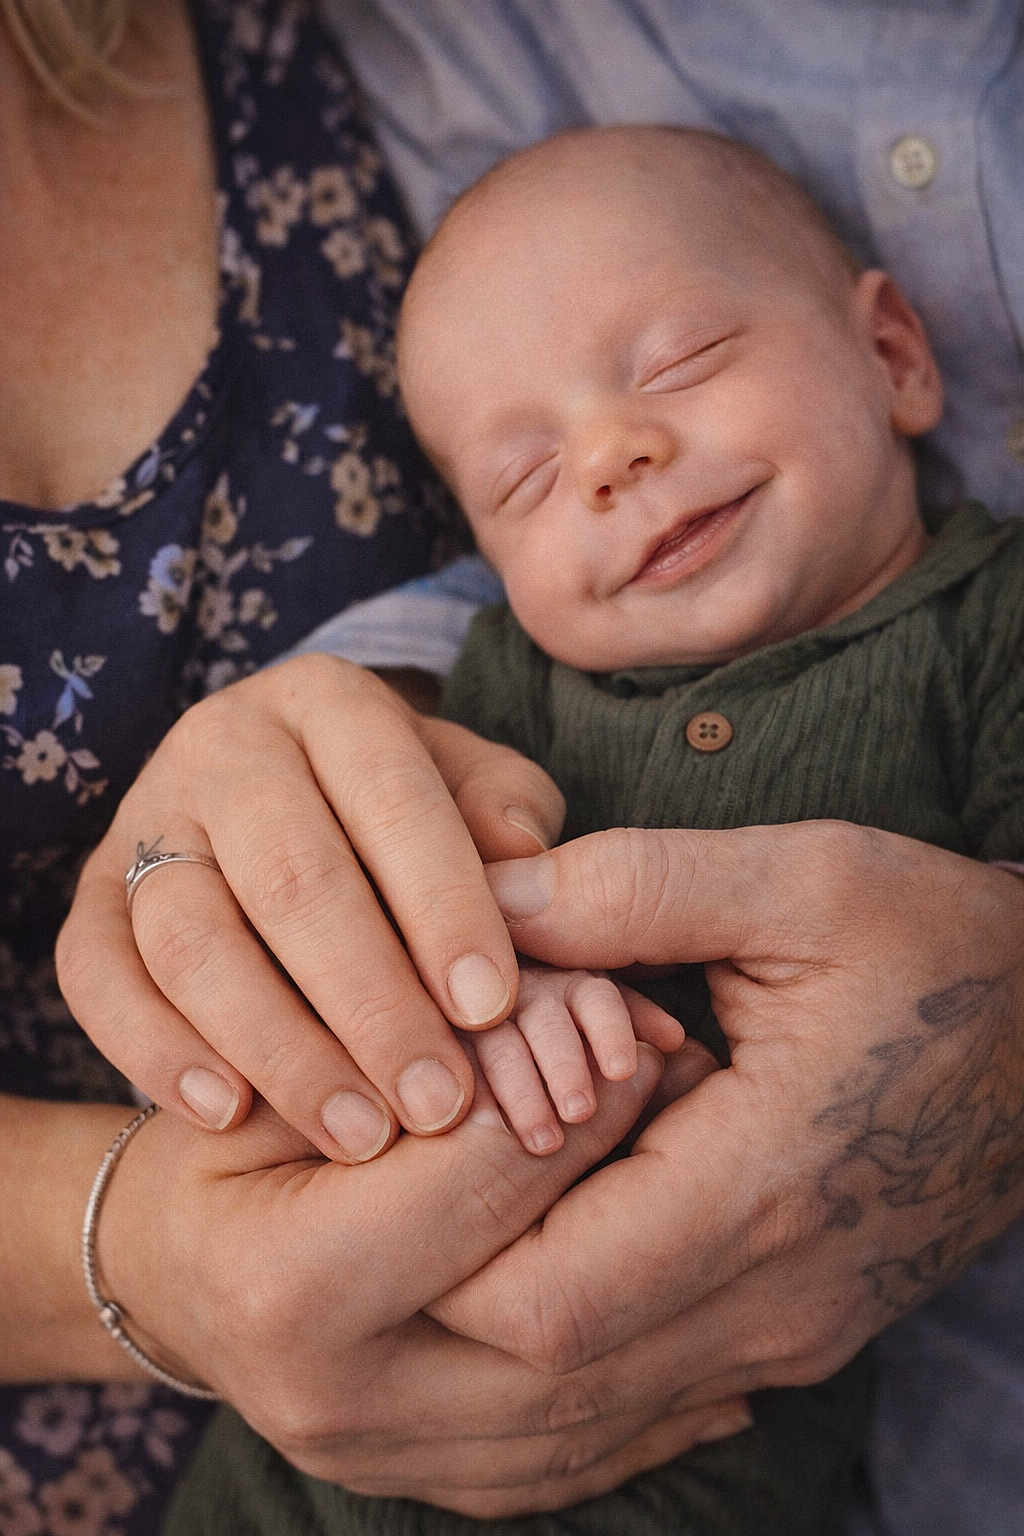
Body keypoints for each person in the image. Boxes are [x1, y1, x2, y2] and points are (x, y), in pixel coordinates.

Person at [17, 3, 1024, 1534]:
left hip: (710, 1459)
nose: (612, 456)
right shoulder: (497, 688)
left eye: (683, 361)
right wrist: (493, 996)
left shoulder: (986, 631)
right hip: (305, 1470)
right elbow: (404, 911)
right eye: (527, 477)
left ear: (891, 353)